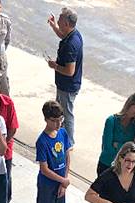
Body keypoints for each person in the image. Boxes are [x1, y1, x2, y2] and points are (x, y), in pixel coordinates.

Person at [33, 100, 82, 203]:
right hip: (47, 186)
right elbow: (44, 169)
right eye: (54, 120)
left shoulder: (62, 133)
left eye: (60, 119)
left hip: (61, 183)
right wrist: (63, 180)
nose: (58, 124)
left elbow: (67, 156)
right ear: (46, 119)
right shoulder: (42, 141)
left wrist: (64, 182)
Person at [47, 7, 82, 144]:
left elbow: (69, 71)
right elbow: (62, 35)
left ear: (67, 24)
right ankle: (61, 137)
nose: (58, 21)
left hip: (68, 86)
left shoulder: (71, 44)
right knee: (60, 111)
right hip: (66, 84)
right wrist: (54, 26)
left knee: (66, 115)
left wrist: (54, 66)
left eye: (60, 20)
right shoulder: (74, 34)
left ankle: (69, 143)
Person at [97, 94, 135, 175]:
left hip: (124, 169)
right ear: (129, 105)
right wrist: (129, 147)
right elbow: (107, 148)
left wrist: (118, 145)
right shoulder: (111, 121)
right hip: (107, 165)